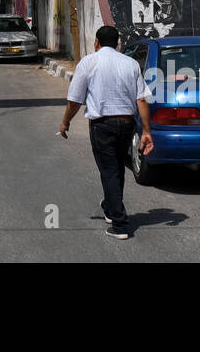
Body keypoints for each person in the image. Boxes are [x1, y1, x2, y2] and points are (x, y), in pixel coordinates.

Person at [57, 25, 154, 240]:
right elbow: (141, 100)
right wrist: (146, 130)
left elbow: (75, 100)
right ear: (118, 43)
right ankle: (111, 209)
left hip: (102, 125)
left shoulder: (89, 62)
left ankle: (120, 224)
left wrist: (65, 122)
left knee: (109, 170)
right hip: (127, 124)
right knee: (117, 167)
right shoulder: (131, 64)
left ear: (96, 42)